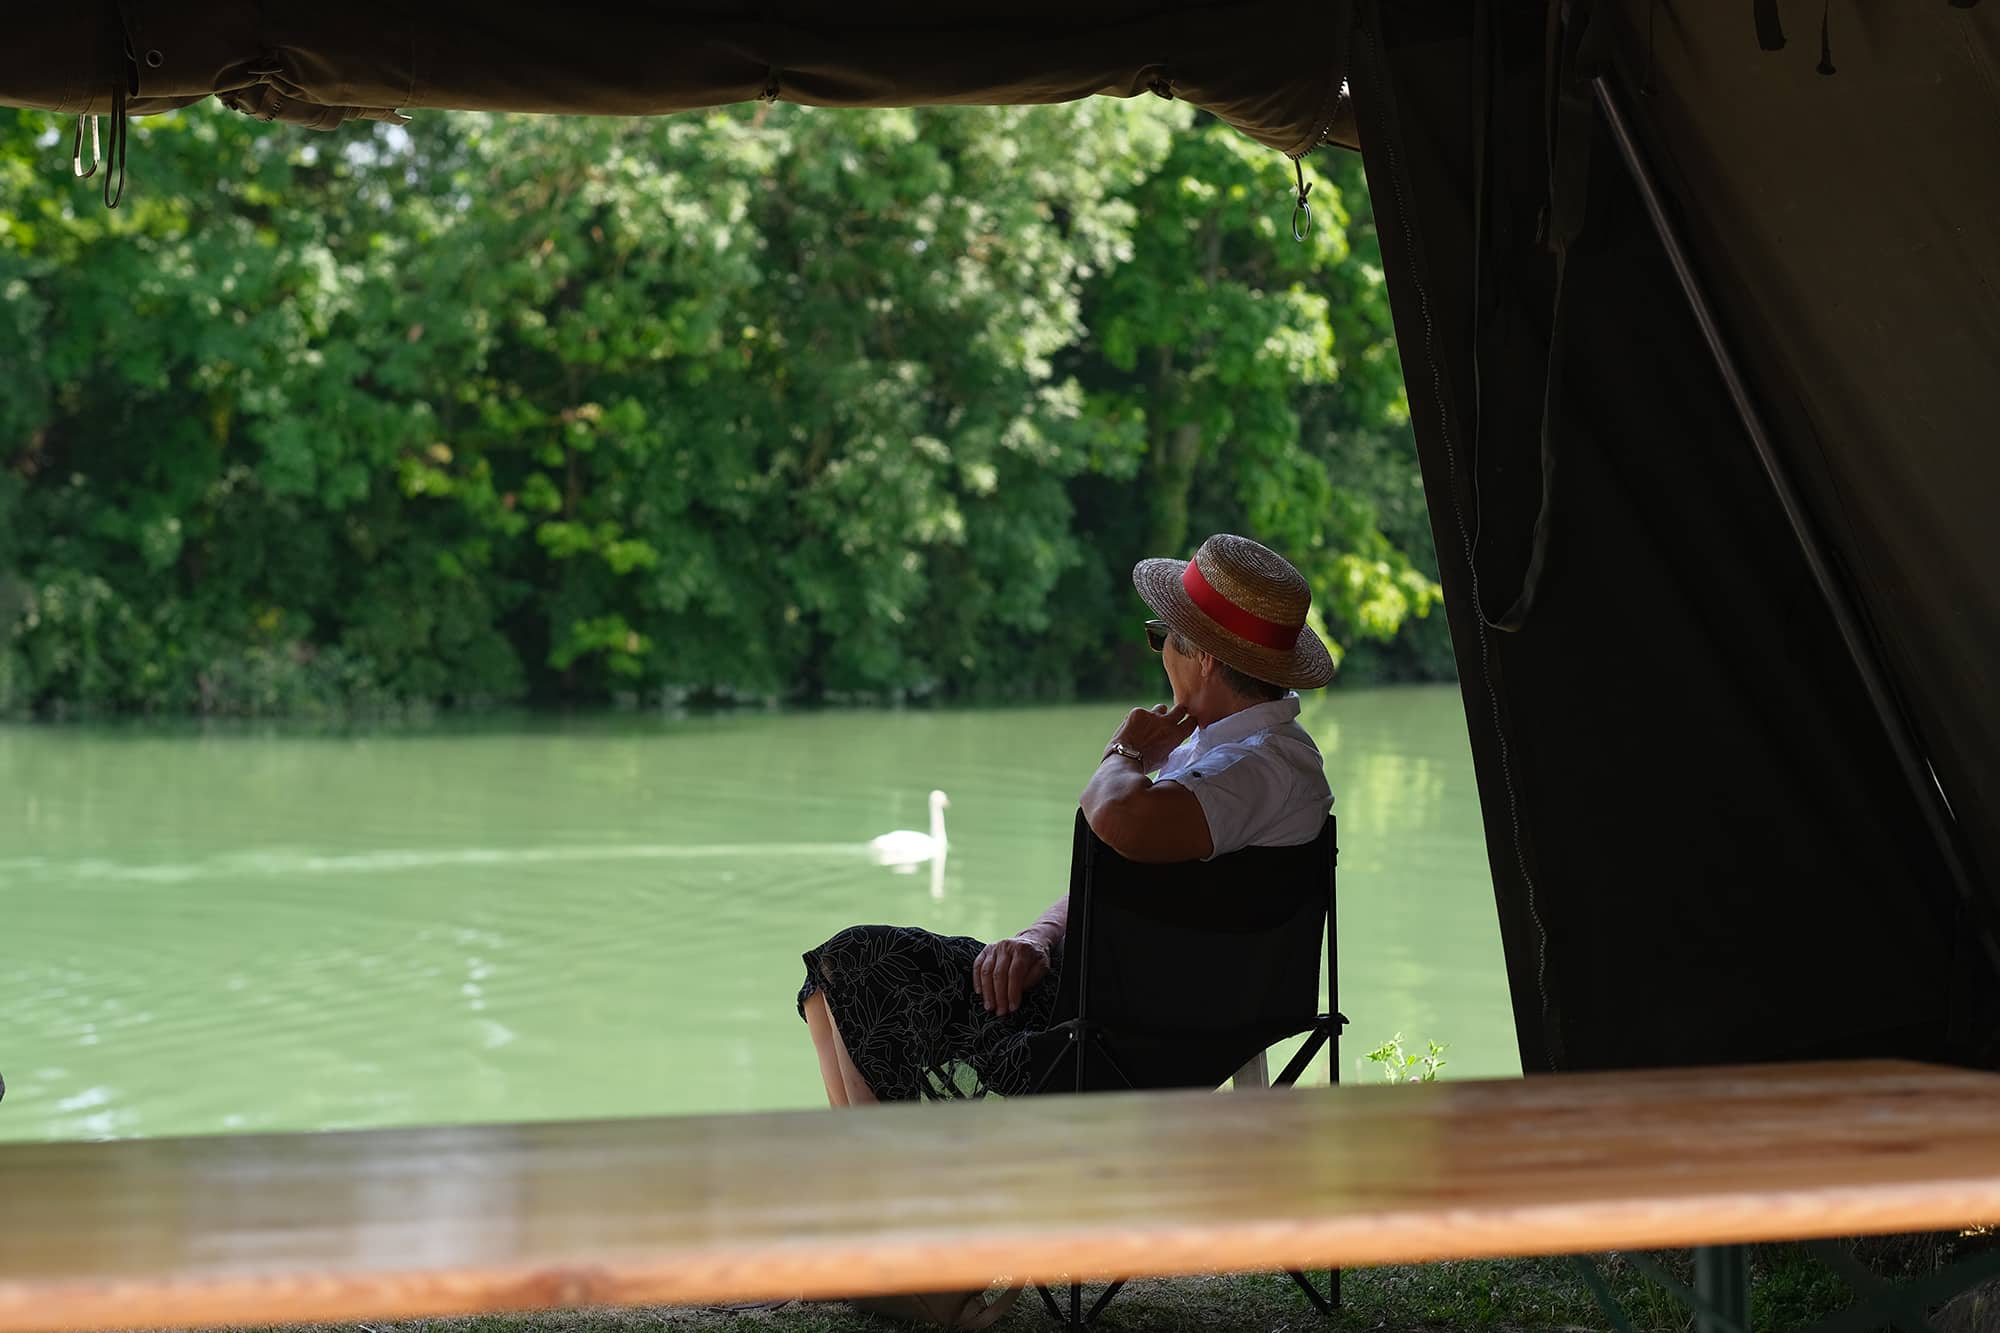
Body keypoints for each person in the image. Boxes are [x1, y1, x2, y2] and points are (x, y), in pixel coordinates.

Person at [797, 533, 1336, 1106]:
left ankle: (885, 1174)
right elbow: (1124, 879)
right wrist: (1041, 937)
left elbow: (1113, 818)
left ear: (1202, 656)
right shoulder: (1223, 753)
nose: (1160, 658)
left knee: (862, 970)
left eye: (1161, 640)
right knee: (838, 970)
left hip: (1122, 1032)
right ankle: (876, 1169)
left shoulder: (1263, 767)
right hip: (1110, 997)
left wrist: (1124, 751)